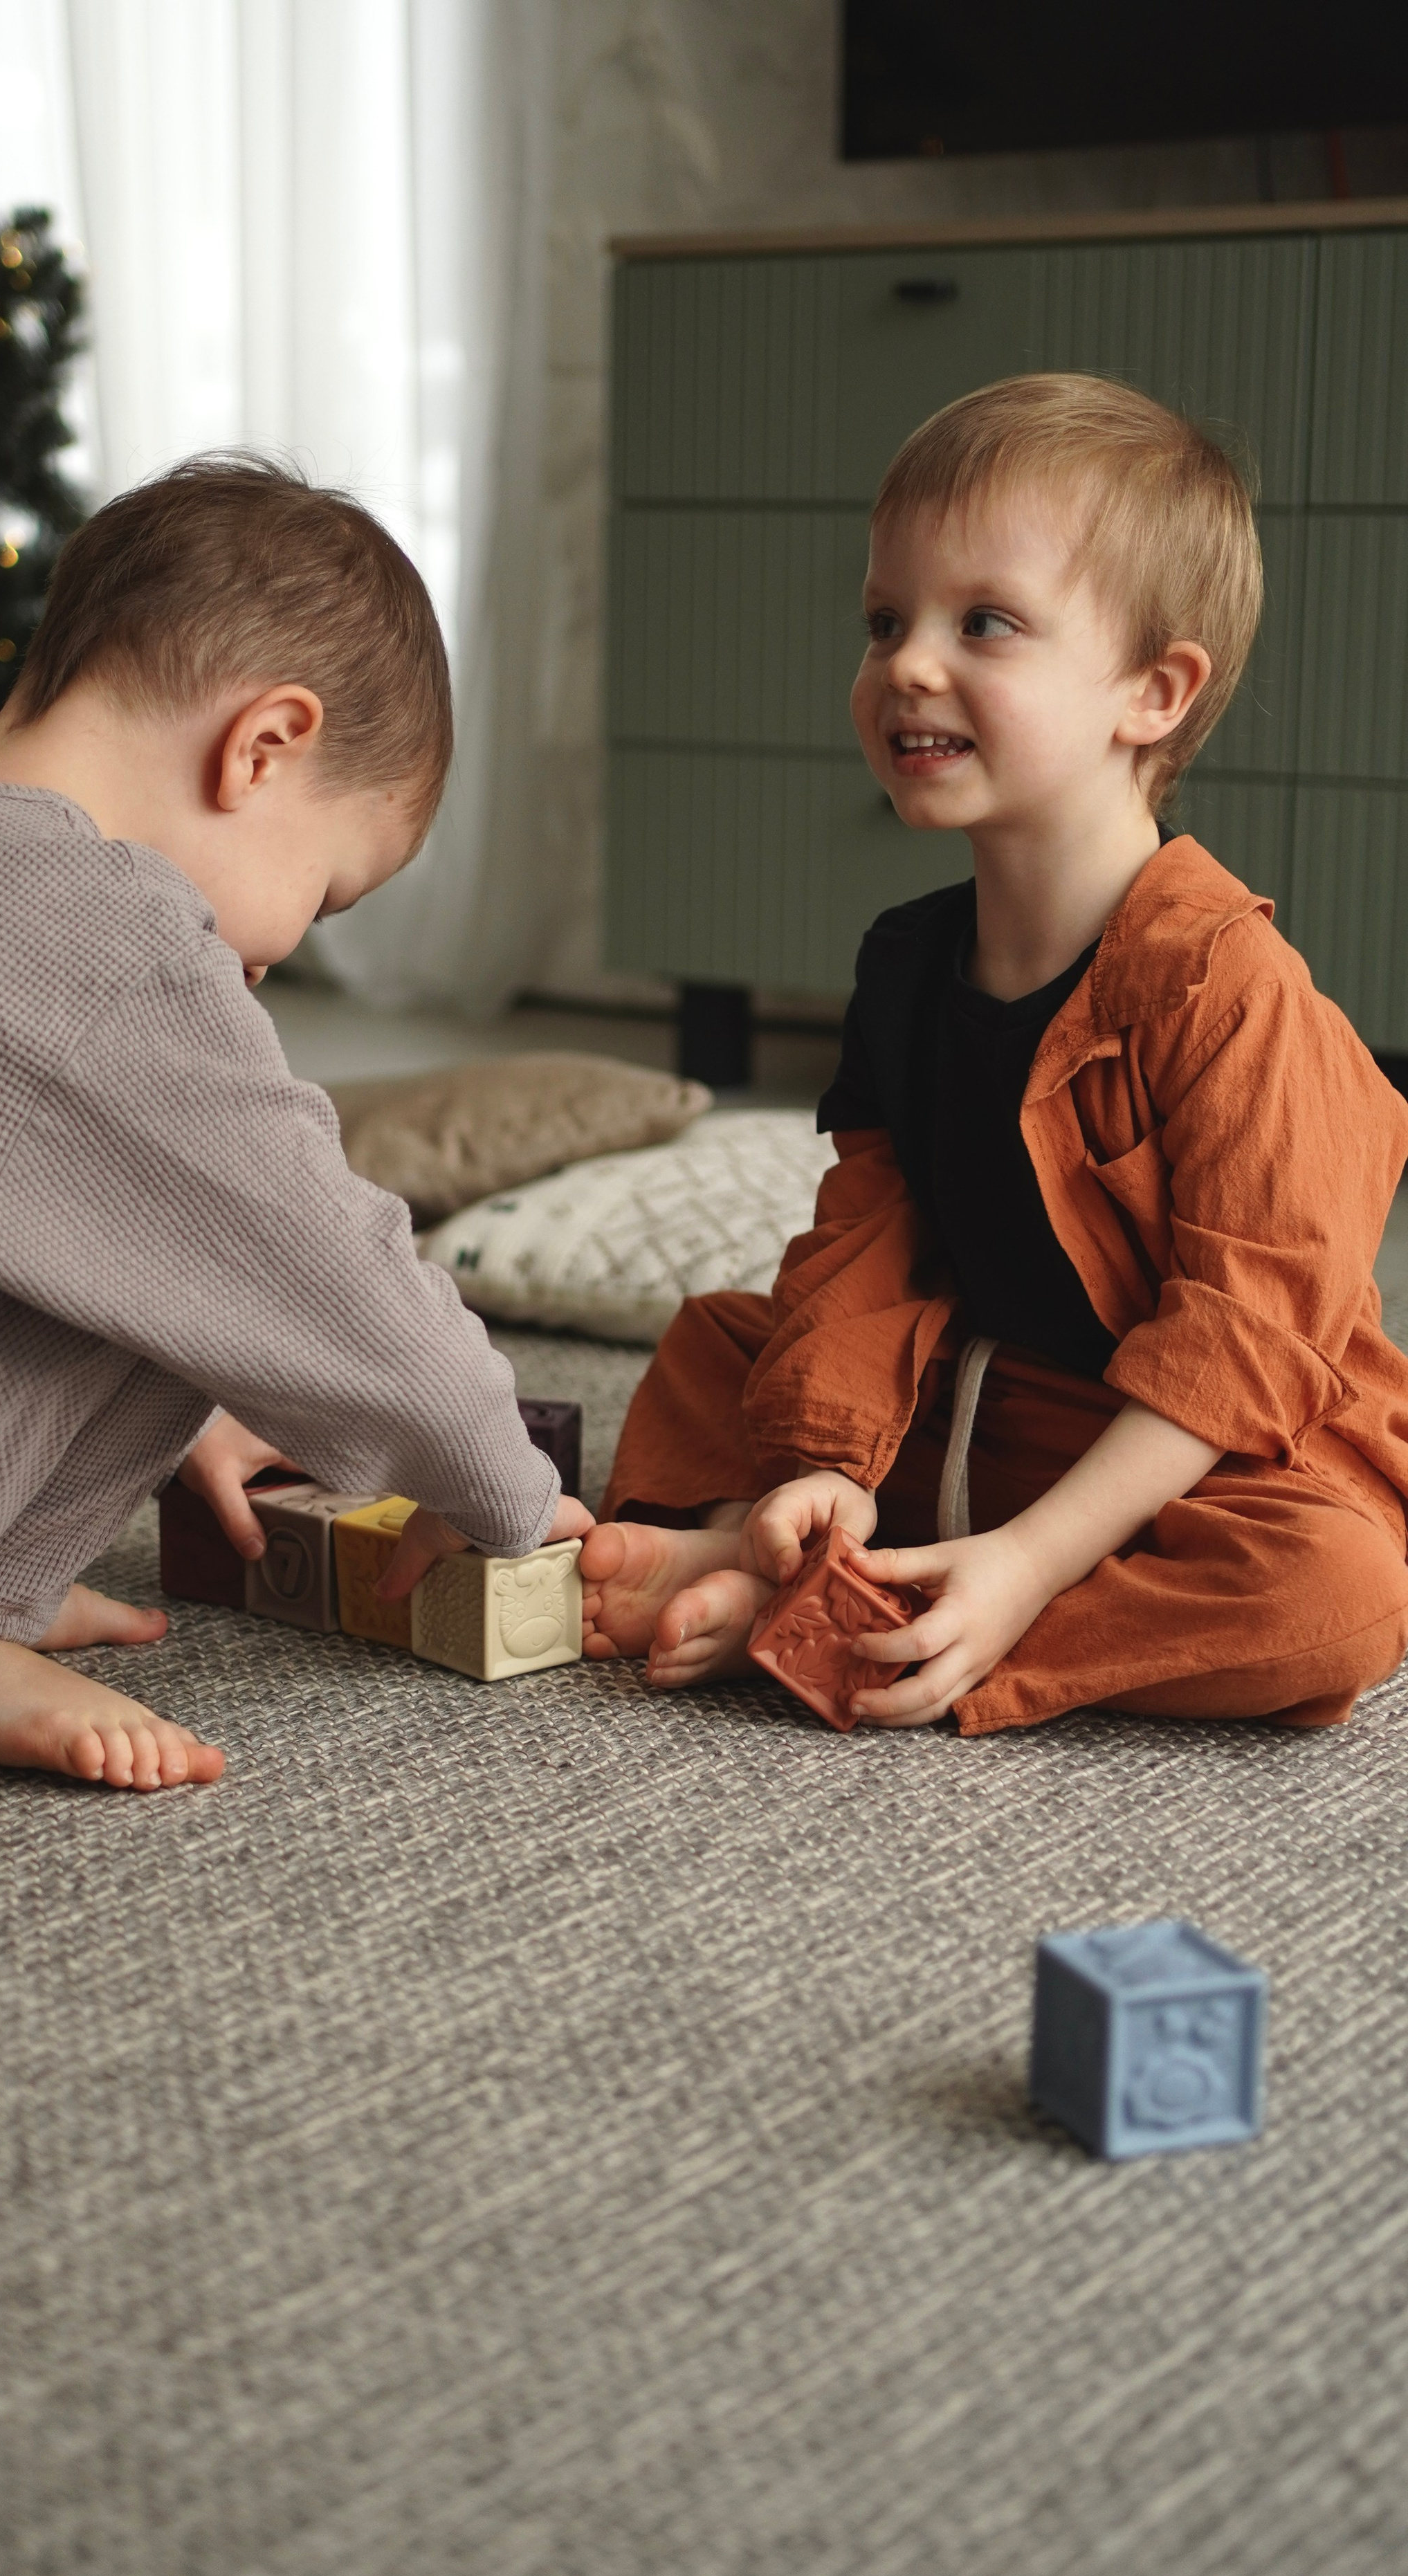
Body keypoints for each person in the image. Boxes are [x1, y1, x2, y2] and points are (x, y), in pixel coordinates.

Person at [0, 456, 589, 1788]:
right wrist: (511, 1489)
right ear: (263, 748)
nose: (273, 959)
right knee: (223, 1215)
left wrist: (195, 1420)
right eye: (321, 899)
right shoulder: (97, 928)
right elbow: (320, 1258)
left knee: (121, 1202)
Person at [580, 373, 1408, 1733]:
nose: (908, 661)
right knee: (720, 1344)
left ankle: (903, 1639)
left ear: (1151, 691)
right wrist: (817, 1467)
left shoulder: (1228, 987)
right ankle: (779, 1547)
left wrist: (1026, 1567)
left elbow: (1241, 1351)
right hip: (993, 1404)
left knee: (1335, 1595)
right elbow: (869, 1248)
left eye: (984, 624)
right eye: (881, 621)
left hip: (1203, 1452)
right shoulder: (907, 963)